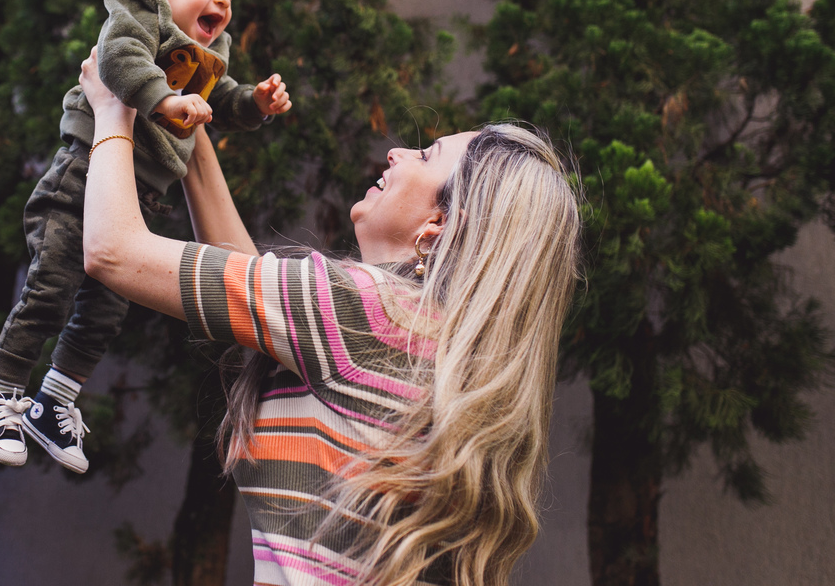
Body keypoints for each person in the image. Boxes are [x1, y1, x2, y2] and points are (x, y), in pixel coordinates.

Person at [78, 49, 582, 586]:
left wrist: (114, 106)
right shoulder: (439, 347)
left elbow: (112, 250)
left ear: (438, 224)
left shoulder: (360, 308)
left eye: (426, 155)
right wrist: (191, 120)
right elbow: (254, 288)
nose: (396, 153)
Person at [0, 0, 292, 473]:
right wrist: (166, 104)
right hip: (80, 179)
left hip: (140, 199)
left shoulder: (208, 53)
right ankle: (1, 392)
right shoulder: (138, 12)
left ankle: (55, 402)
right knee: (52, 286)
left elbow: (224, 101)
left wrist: (255, 105)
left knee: (105, 311)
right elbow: (121, 62)